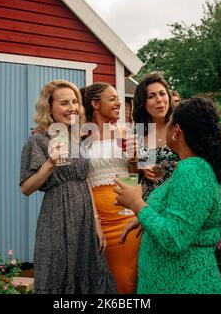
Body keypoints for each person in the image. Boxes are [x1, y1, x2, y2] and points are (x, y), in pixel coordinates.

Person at [115, 97, 221, 294]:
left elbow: (175, 238)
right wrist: (150, 215)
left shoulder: (193, 171)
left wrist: (137, 205)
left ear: (177, 130)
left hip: (185, 283)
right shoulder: (192, 167)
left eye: (169, 122)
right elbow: (187, 218)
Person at [19, 80, 116, 294]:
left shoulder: (75, 140)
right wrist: (50, 163)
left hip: (85, 220)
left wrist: (97, 223)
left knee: (89, 274)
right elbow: (26, 188)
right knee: (59, 275)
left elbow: (85, 180)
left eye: (75, 102)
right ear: (49, 107)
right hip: (57, 220)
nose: (71, 107)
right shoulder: (37, 141)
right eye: (64, 103)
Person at [80, 82, 141, 294]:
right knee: (106, 281)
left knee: (128, 278)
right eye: (112, 98)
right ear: (95, 104)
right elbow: (84, 180)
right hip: (98, 219)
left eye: (118, 98)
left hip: (126, 216)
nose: (118, 103)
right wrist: (95, 221)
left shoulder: (128, 132)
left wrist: (134, 161)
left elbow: (137, 177)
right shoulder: (81, 138)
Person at [132, 73, 179, 200]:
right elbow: (135, 169)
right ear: (142, 102)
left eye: (162, 94)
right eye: (151, 96)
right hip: (149, 202)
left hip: (178, 200)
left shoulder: (180, 127)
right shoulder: (139, 131)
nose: (159, 100)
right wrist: (142, 167)